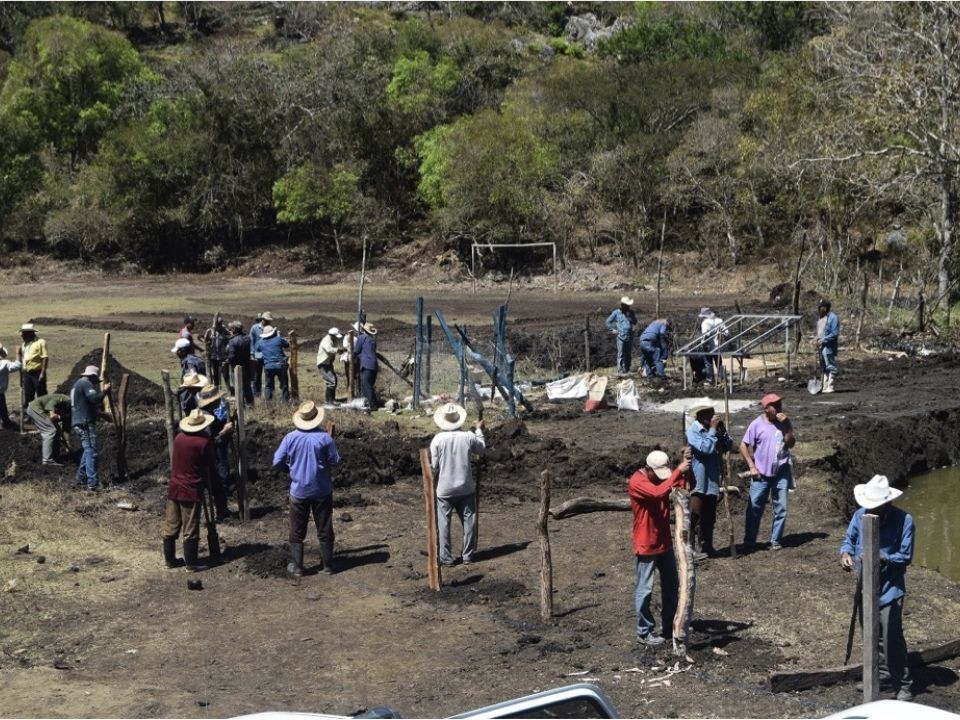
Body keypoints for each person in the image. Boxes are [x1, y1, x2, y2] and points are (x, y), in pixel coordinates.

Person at [840, 475, 915, 703]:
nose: (872, 510)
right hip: (865, 587)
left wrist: (884, 558)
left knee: (892, 637)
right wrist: (845, 554)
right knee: (872, 636)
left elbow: (906, 556)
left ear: (888, 502)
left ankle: (903, 683)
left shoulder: (905, 520)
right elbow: (849, 540)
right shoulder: (859, 516)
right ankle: (879, 676)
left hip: (890, 589)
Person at [628, 449, 689, 646]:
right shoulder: (637, 481)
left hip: (664, 541)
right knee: (645, 589)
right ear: (649, 469)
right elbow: (657, 493)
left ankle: (670, 624)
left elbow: (686, 485)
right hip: (646, 542)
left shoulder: (661, 477)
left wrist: (688, 464)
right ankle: (644, 632)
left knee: (672, 585)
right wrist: (678, 471)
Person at [273, 401, 341, 576]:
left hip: (299, 490)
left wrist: (289, 469)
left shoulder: (290, 438)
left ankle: (297, 567)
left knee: (296, 529)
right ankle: (327, 566)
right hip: (321, 490)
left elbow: (277, 461)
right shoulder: (325, 438)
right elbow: (335, 461)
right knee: (325, 527)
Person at [430, 403, 485, 567]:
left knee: (444, 523)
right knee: (469, 520)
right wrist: (479, 430)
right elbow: (481, 450)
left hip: (445, 489)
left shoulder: (438, 440)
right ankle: (467, 555)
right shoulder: (468, 436)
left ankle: (446, 557)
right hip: (465, 487)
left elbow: (434, 466)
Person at [740, 393, 796, 551]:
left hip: (781, 471)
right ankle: (749, 542)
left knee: (781, 508)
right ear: (766, 408)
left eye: (780, 404)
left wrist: (788, 425)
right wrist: (752, 466)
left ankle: (776, 541)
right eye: (775, 405)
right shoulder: (756, 425)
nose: (779, 408)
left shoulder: (783, 423)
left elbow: (790, 444)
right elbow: (743, 446)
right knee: (754, 509)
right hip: (761, 474)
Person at [162, 409, 216, 572]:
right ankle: (191, 563)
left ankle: (170, 560)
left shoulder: (179, 438)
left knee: (171, 524)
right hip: (191, 489)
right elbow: (209, 463)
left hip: (175, 486)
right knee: (190, 527)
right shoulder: (203, 442)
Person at [685, 403, 733, 558]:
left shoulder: (715, 430)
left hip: (712, 480)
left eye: (713, 413)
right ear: (700, 416)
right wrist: (713, 430)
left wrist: (723, 432)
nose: (713, 416)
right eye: (709, 414)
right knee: (695, 515)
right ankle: (690, 548)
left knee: (709, 516)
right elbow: (706, 449)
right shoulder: (693, 431)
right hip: (698, 480)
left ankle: (707, 545)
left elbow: (727, 446)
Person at [70, 365, 111, 490]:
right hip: (85, 423)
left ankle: (79, 479)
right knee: (91, 452)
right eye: (95, 381)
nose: (95, 384)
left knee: (87, 451)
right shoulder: (85, 383)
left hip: (79, 421)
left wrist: (102, 416)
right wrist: (105, 391)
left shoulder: (77, 384)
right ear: (92, 377)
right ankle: (92, 484)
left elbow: (87, 406)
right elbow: (94, 399)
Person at [197, 384, 234, 521]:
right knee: (217, 484)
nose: (219, 400)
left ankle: (222, 511)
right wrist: (224, 433)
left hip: (211, 457)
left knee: (218, 484)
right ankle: (220, 513)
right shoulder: (205, 418)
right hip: (209, 458)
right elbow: (209, 443)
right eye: (217, 398)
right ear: (212, 401)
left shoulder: (209, 413)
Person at [25, 391, 71, 466]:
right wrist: (57, 416)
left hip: (38, 409)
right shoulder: (61, 399)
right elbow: (52, 414)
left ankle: (55, 457)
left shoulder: (67, 408)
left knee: (55, 431)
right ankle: (47, 460)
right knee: (50, 430)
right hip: (35, 409)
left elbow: (64, 427)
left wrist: (67, 442)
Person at [17, 322, 48, 416]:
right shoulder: (24, 344)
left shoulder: (40, 342)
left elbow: (45, 357)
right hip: (27, 373)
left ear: (30, 333)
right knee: (28, 395)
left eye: (24, 333)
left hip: (37, 372)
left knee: (41, 394)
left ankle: (43, 414)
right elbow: (23, 358)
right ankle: (30, 415)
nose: (22, 335)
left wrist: (42, 373)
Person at [605, 296, 638, 377]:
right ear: (622, 305)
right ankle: (620, 370)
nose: (628, 307)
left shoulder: (631, 313)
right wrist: (612, 330)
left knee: (628, 353)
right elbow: (608, 322)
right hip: (620, 336)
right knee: (621, 354)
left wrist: (631, 318)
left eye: (629, 305)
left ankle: (627, 369)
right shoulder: (616, 313)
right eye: (627, 305)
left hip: (629, 335)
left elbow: (635, 321)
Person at [259, 324, 290, 402]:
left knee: (268, 386)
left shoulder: (261, 342)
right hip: (280, 365)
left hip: (268, 366)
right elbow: (287, 344)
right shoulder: (278, 339)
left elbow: (258, 349)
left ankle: (269, 405)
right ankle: (285, 403)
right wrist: (279, 336)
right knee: (284, 385)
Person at [226, 321, 253, 405]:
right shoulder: (247, 338)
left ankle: (241, 405)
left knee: (238, 387)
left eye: (231, 329)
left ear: (234, 329)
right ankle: (250, 403)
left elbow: (232, 357)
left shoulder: (233, 341)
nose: (230, 330)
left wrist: (228, 361)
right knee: (247, 387)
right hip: (247, 366)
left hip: (237, 368)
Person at [816, 299, 840, 393]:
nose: (818, 309)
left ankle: (831, 385)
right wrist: (816, 339)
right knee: (824, 366)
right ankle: (824, 386)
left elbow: (834, 333)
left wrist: (823, 340)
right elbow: (821, 332)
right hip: (822, 346)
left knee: (830, 365)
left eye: (820, 307)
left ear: (825, 308)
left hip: (829, 346)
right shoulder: (822, 318)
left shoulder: (833, 318)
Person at [316, 327, 345, 405]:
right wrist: (338, 350)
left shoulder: (332, 340)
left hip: (328, 363)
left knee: (333, 380)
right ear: (332, 335)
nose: (337, 338)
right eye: (336, 336)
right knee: (332, 381)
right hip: (323, 363)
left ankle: (331, 400)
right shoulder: (326, 340)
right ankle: (329, 401)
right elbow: (329, 349)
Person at [698, 308, 727, 384]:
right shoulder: (719, 320)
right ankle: (722, 379)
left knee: (708, 363)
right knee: (719, 363)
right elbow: (726, 332)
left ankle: (710, 380)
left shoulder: (705, 323)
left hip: (708, 346)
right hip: (717, 345)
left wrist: (704, 343)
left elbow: (706, 334)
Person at [354, 322, 379, 410]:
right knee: (370, 385)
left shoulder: (361, 338)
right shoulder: (372, 340)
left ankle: (372, 405)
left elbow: (356, 350)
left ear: (364, 330)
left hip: (366, 364)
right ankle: (372, 402)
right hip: (374, 364)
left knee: (366, 385)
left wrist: (352, 355)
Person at [203, 317, 229, 390]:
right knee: (215, 374)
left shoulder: (225, 331)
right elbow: (206, 342)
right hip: (214, 357)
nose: (219, 325)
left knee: (225, 374)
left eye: (220, 324)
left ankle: (229, 389)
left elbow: (229, 339)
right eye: (218, 324)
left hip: (223, 357)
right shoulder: (210, 331)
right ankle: (216, 389)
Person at [0, 343, 22, 429]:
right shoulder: (4, 363)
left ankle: (5, 422)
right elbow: (17, 366)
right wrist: (18, 354)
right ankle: (5, 423)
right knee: (2, 408)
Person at [249, 312, 270, 399]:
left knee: (268, 375)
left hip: (267, 355)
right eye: (266, 320)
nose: (268, 322)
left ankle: (267, 395)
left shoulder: (270, 328)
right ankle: (256, 394)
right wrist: (251, 354)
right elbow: (251, 341)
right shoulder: (254, 328)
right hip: (257, 356)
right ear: (262, 320)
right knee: (256, 376)